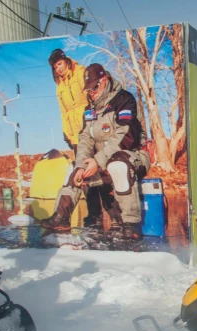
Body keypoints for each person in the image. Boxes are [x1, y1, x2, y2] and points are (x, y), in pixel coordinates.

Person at [41, 63, 150, 240]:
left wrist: (98, 161)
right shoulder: (89, 111)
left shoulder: (124, 100)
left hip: (133, 156)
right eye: (89, 90)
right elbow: (85, 139)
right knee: (75, 169)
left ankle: (131, 223)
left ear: (104, 79)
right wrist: (82, 164)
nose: (92, 93)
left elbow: (126, 135)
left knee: (118, 164)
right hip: (102, 160)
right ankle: (61, 216)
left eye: (95, 87)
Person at [48, 49, 117, 229]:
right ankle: (93, 215)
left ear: (66, 61)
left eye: (60, 64)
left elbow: (93, 96)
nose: (59, 69)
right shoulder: (60, 86)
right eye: (55, 67)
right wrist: (67, 133)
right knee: (85, 177)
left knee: (100, 172)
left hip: (90, 129)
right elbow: (64, 112)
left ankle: (115, 215)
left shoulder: (80, 72)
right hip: (75, 135)